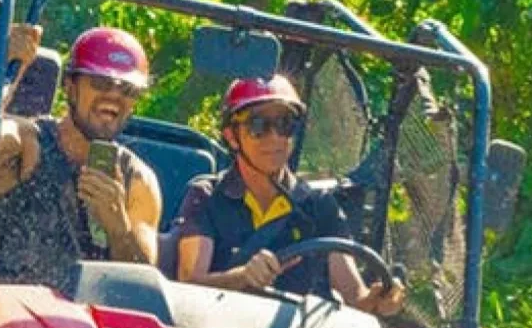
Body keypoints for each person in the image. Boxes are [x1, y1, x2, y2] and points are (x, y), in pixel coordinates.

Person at [174, 75, 406, 315]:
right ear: (232, 136)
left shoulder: (319, 205)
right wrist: (241, 277)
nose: (274, 137)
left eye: (284, 124)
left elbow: (356, 298)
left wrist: (380, 300)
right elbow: (188, 285)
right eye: (258, 126)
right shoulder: (206, 196)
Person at [0, 24, 164, 290]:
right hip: (2, 315)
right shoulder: (27, 144)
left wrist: (118, 228)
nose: (114, 96)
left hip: (86, 326)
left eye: (127, 90)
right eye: (100, 83)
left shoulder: (138, 181)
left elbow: (141, 289)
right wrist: (4, 71)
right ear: (70, 87)